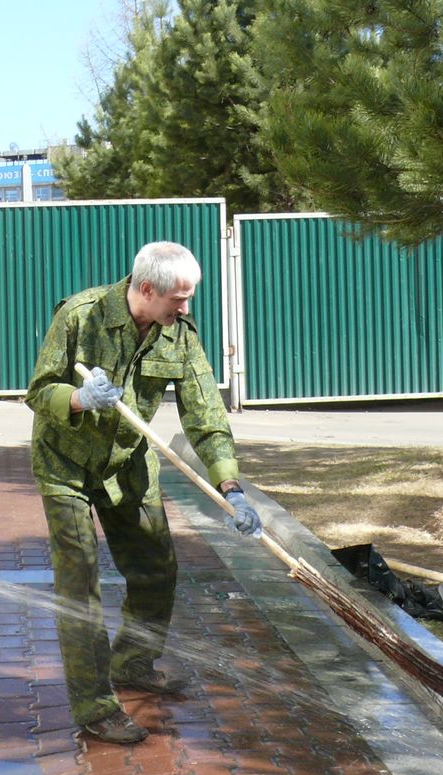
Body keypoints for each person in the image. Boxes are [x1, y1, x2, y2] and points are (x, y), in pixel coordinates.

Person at [25, 241, 263, 745]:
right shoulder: (79, 317)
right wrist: (79, 398)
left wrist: (231, 487)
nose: (186, 307)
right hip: (65, 466)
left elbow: (206, 414)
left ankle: (133, 662)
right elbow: (39, 391)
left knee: (157, 569)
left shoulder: (179, 334)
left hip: (129, 465)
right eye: (179, 298)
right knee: (80, 585)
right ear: (147, 288)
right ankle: (94, 707)